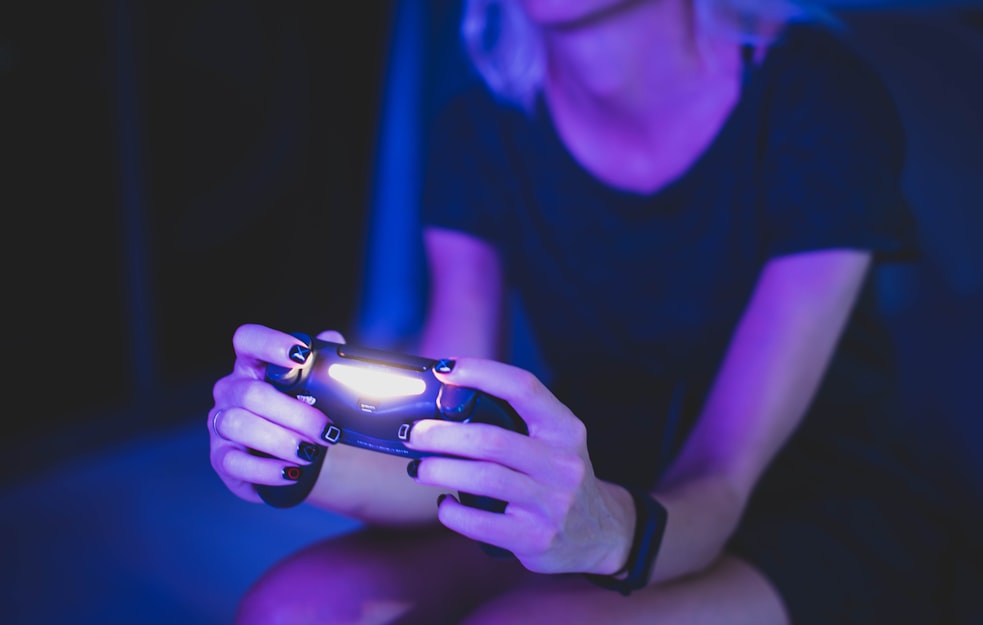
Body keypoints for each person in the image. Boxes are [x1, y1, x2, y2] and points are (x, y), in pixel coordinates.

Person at [208, 0, 935, 623]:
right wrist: (294, 455)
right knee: (291, 609)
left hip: (805, 506)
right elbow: (432, 444)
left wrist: (605, 530)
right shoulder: (480, 125)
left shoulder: (817, 100)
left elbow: (721, 479)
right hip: (585, 469)